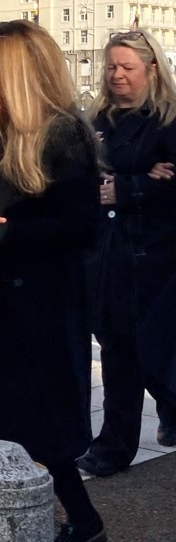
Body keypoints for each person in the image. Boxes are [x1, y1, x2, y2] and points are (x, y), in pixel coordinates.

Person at [0, 20, 105, 542]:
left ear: (10, 71)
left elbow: (80, 225)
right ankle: (76, 522)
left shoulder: (63, 133)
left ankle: (69, 523)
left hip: (43, 305)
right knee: (6, 423)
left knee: (34, 426)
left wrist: (1, 236)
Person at [76, 29, 176, 479]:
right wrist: (142, 176)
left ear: (151, 69)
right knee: (117, 352)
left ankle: (170, 411)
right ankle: (113, 447)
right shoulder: (95, 120)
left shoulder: (169, 120)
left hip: (156, 258)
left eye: (127, 67)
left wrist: (130, 186)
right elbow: (83, 176)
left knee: (153, 354)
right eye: (111, 66)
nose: (117, 75)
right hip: (107, 255)